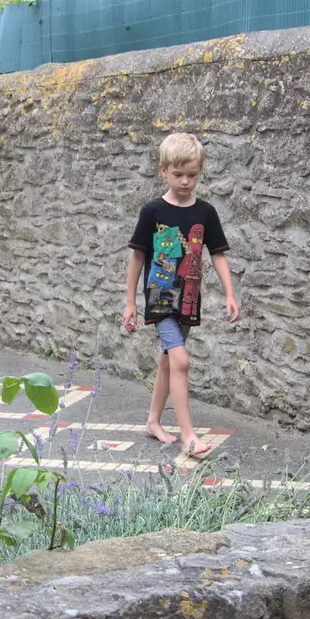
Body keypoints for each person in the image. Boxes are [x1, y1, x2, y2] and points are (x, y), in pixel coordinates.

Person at [122, 132, 240, 457]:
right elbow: (137, 258)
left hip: (190, 298)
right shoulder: (152, 212)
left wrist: (230, 294)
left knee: (167, 363)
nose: (186, 181)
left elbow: (217, 254)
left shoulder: (206, 213)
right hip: (160, 297)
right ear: (163, 170)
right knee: (181, 362)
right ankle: (189, 437)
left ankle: (152, 421)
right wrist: (131, 302)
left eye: (193, 174)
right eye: (179, 174)